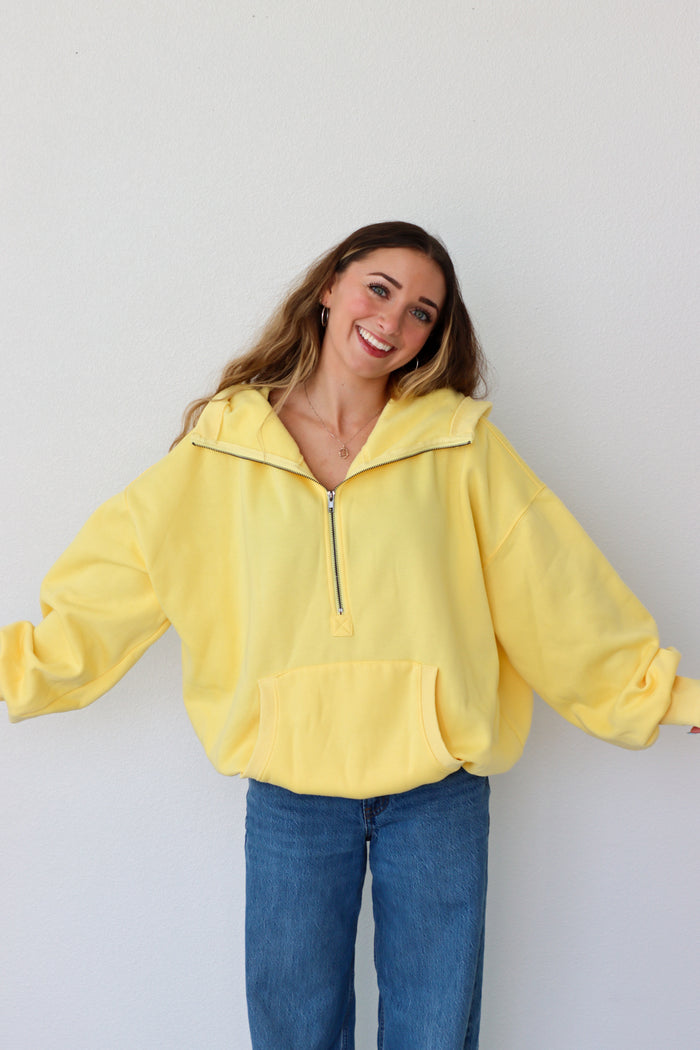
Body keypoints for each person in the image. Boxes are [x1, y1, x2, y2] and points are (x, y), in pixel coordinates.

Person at [1, 220, 698, 1050]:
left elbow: (555, 589)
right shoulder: (224, 449)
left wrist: (667, 698)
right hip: (293, 796)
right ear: (331, 286)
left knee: (435, 1034)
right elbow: (112, 585)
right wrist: (21, 668)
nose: (393, 321)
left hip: (436, 793)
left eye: (421, 312)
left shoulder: (460, 443)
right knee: (294, 1034)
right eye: (380, 289)